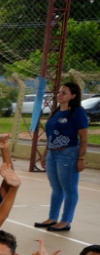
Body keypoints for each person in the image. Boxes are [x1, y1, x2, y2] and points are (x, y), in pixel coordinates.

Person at [35, 82, 90, 232]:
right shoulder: (57, 112)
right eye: (59, 92)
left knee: (69, 188)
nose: (60, 94)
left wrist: (81, 158)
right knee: (56, 187)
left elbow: (84, 137)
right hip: (53, 153)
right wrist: (45, 154)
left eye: (64, 92)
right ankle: (52, 217)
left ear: (73, 95)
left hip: (69, 154)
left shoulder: (78, 112)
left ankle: (66, 221)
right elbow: (51, 136)